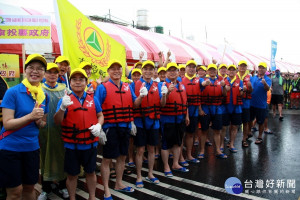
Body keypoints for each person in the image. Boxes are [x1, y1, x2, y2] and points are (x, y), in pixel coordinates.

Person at [0, 53, 49, 199]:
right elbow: (7, 124)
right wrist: (30, 116)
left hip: (32, 149)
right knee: (15, 192)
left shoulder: (43, 95)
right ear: (25, 70)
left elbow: (43, 123)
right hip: (11, 149)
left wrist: (39, 122)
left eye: (40, 68)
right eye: (31, 68)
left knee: (29, 188)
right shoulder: (12, 92)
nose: (35, 71)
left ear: (43, 73)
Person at [94, 59, 144, 200]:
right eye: (113, 69)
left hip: (125, 127)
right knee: (107, 159)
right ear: (108, 71)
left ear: (122, 71)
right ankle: (106, 190)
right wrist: (100, 128)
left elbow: (135, 104)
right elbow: (96, 109)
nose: (116, 71)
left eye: (118, 68)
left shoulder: (127, 86)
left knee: (122, 156)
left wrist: (141, 95)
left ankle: (119, 183)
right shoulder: (102, 88)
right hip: (110, 128)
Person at [54, 68, 104, 200]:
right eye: (74, 79)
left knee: (91, 172)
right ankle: (72, 197)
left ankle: (92, 197)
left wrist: (99, 125)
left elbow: (100, 115)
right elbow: (57, 121)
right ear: (70, 82)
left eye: (81, 79)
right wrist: (62, 108)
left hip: (90, 145)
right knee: (72, 175)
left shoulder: (94, 99)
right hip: (72, 146)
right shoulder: (64, 100)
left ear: (86, 82)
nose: (77, 82)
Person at [130, 60, 167, 188]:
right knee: (140, 150)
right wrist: (140, 96)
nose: (148, 71)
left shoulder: (159, 85)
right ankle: (139, 176)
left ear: (153, 71)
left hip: (154, 122)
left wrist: (164, 95)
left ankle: (150, 173)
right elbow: (134, 104)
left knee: (151, 149)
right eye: (145, 69)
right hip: (140, 122)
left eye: (151, 69)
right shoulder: (134, 85)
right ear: (142, 71)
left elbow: (162, 105)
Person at [38, 63, 69, 200]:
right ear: (45, 74)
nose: (52, 75)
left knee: (61, 157)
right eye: (49, 72)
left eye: (55, 72)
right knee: (45, 157)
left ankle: (62, 185)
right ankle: (46, 188)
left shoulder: (65, 89)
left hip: (60, 130)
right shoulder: (39, 89)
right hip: (43, 131)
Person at [160, 62, 190, 176]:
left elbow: (185, 102)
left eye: (174, 70)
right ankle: (166, 166)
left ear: (178, 72)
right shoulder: (162, 85)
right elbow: (162, 104)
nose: (172, 72)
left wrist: (186, 116)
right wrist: (167, 92)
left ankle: (175, 163)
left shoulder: (181, 85)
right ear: (166, 73)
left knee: (178, 143)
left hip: (180, 118)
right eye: (170, 70)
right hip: (167, 119)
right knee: (166, 144)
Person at [199, 64, 227, 159]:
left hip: (217, 108)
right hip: (206, 107)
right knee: (204, 131)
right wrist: (200, 109)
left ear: (216, 71)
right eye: (210, 70)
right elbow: (199, 93)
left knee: (217, 131)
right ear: (207, 71)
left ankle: (218, 150)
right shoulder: (203, 80)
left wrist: (224, 87)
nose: (212, 71)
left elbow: (224, 94)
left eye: (214, 70)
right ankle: (202, 150)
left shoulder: (220, 81)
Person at [181, 60, 201, 163]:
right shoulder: (180, 80)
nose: (191, 68)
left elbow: (205, 83)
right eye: (190, 67)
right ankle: (180, 157)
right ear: (186, 68)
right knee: (181, 135)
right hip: (182, 112)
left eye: (193, 67)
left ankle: (189, 155)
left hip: (194, 112)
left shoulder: (199, 80)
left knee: (190, 134)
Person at [222, 64, 243, 153]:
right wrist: (223, 87)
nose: (231, 71)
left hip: (236, 107)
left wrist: (242, 90)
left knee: (234, 126)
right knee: (223, 127)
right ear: (227, 71)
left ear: (236, 71)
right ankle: (221, 145)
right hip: (225, 107)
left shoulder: (240, 81)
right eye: (229, 70)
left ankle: (232, 144)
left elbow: (241, 95)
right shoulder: (223, 81)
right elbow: (222, 94)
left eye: (233, 70)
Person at [250, 62, 271, 144]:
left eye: (263, 68)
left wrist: (264, 83)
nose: (261, 69)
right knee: (249, 120)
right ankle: (249, 133)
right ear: (257, 69)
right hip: (251, 103)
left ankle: (259, 137)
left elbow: (267, 88)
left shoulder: (267, 79)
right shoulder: (253, 78)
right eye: (260, 67)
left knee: (260, 122)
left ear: (265, 70)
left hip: (261, 104)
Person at [236, 61, 253, 148]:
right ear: (238, 67)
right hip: (236, 102)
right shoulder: (234, 76)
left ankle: (244, 139)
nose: (242, 68)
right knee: (234, 123)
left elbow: (251, 91)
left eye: (244, 66)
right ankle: (232, 141)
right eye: (241, 66)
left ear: (246, 67)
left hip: (246, 102)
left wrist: (248, 88)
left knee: (245, 122)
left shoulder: (250, 77)